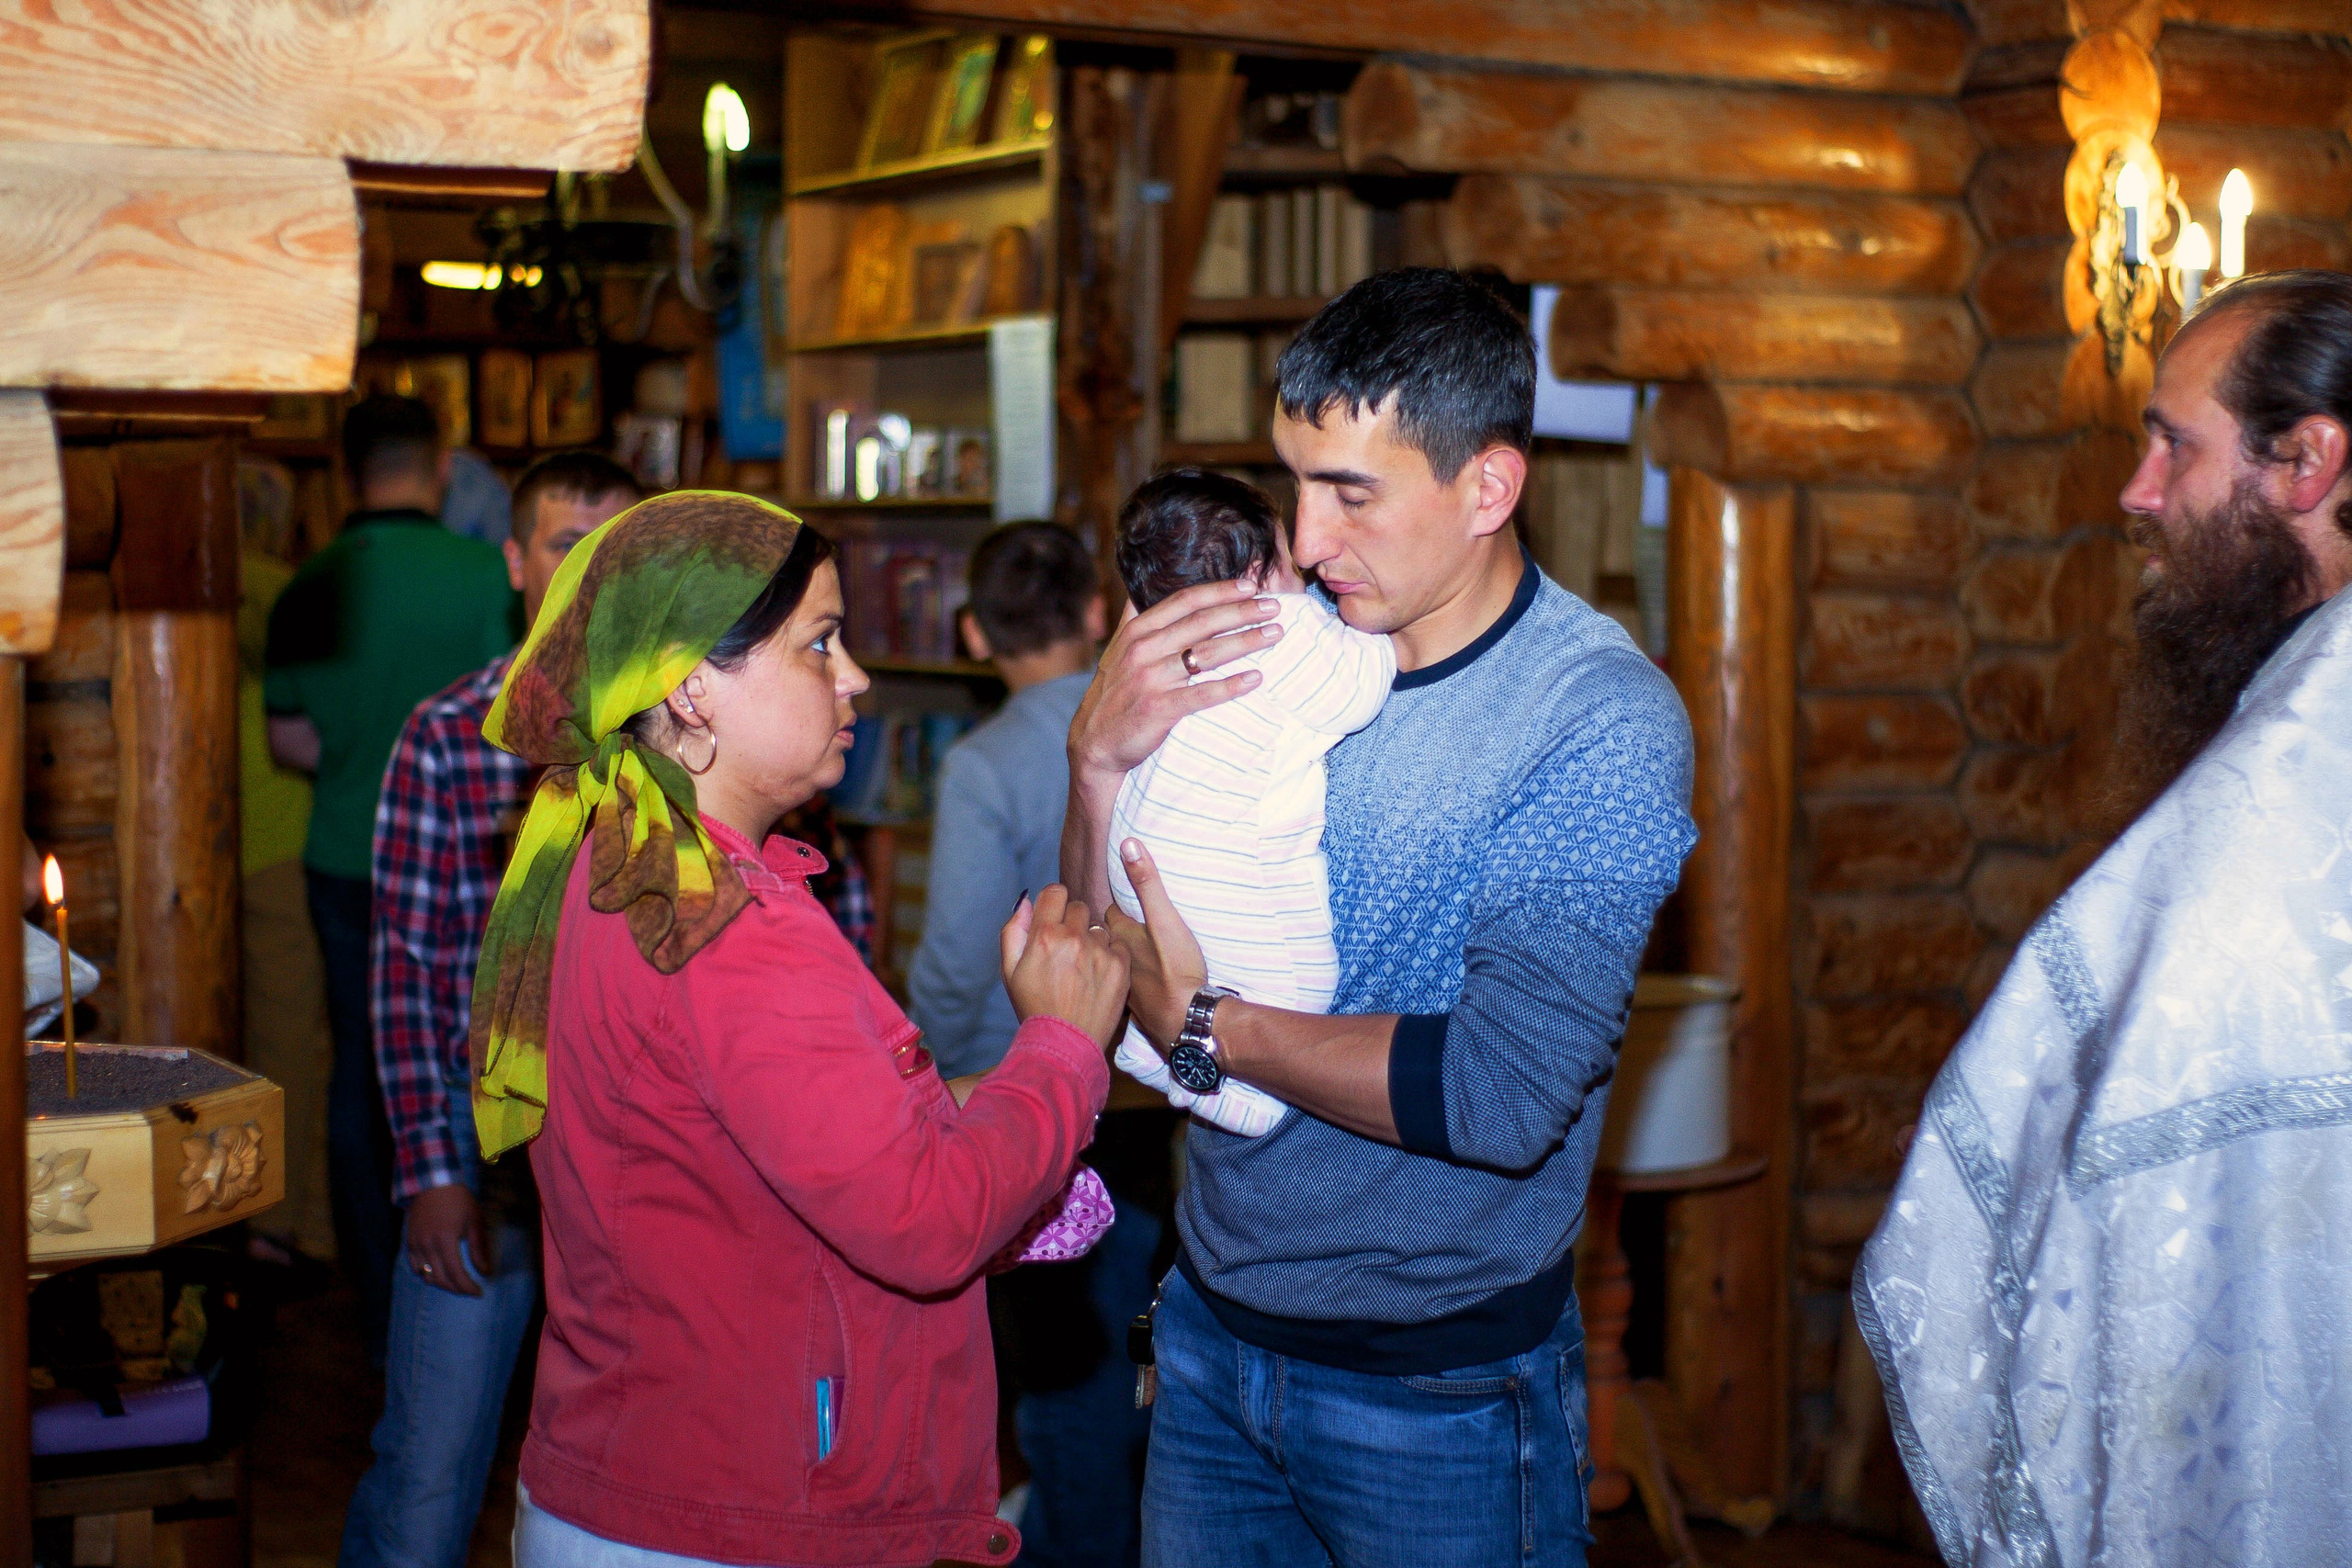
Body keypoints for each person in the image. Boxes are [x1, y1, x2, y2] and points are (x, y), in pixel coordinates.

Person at [1069, 268, 1697, 1566]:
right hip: (1204, 1334)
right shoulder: (1261, 637)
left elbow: (1502, 1093)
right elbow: (1098, 948)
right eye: (1293, 479)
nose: (1300, 542)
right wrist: (1094, 763)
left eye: (1351, 491)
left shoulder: (1596, 719)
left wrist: (1209, 1027)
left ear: (1487, 488)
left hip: (1437, 1393)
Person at [467, 492, 1129, 1568]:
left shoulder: (620, 860)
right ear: (690, 686)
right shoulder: (724, 927)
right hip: (745, 1510)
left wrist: (978, 1101)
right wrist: (1059, 1043)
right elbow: (923, 1221)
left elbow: (776, 1138)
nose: (854, 675)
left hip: (649, 1471)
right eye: (818, 644)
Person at [1857, 271, 2352, 1566]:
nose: (2139, 490)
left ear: (2306, 460)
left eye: (2174, 443)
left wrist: (2008, 1127)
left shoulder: (2297, 766)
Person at [342, 453, 642, 1568]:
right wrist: (432, 1170)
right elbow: (411, 970)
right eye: (569, 543)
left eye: (616, 548)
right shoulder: (448, 732)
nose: (591, 572)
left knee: (623, 1491)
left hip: (636, 1179)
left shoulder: (689, 728)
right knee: (429, 1481)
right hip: (491, 1176)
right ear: (516, 562)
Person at [265, 395, 517, 1359]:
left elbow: (290, 739)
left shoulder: (310, 586)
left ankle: (383, 1301)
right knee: (488, 1060)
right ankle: (493, 1282)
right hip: (476, 857)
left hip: (346, 859)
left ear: (345, 466)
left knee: (365, 1077)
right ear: (442, 464)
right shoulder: (491, 579)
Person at [1106, 469, 1394, 1136]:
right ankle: (1247, 1105)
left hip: (1143, 859)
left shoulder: (1159, 642)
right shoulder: (1277, 625)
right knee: (1299, 994)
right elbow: (1357, 690)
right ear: (1259, 571)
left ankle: (1148, 1050)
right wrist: (1375, 637)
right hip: (1218, 872)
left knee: (1188, 972)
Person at [909, 520, 1106, 1077]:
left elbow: (959, 959)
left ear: (973, 634)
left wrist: (919, 1063)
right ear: (1096, 612)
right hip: (1143, 1060)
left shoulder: (982, 765)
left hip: (1013, 1065)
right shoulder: (1159, 723)